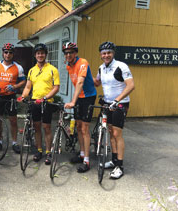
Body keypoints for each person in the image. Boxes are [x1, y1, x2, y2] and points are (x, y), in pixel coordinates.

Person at [93, 41, 135, 179]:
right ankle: (114, 160)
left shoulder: (121, 66)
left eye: (109, 52)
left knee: (117, 134)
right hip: (107, 103)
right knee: (111, 133)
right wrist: (83, 75)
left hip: (120, 104)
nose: (106, 55)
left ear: (113, 53)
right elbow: (97, 82)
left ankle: (120, 167)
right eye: (104, 53)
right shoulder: (101, 68)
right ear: (100, 55)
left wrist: (117, 100)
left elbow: (130, 86)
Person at [18, 43, 60, 165]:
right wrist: (23, 96)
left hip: (47, 102)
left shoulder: (53, 69)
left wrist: (46, 98)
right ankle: (39, 150)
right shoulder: (32, 70)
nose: (40, 55)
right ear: (35, 55)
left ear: (45, 55)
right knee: (36, 127)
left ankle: (48, 152)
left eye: (42, 53)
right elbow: (27, 86)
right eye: (38, 53)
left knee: (46, 127)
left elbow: (56, 87)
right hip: (35, 102)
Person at [63, 42, 97, 173]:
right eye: (66, 53)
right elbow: (81, 79)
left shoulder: (82, 62)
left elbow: (80, 81)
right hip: (79, 98)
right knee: (78, 126)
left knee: (84, 128)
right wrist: (94, 80)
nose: (68, 55)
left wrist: (72, 101)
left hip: (88, 97)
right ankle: (82, 153)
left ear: (75, 53)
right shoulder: (68, 67)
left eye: (71, 52)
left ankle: (87, 161)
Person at [0, 43, 26, 154]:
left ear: (13, 54)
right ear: (2, 53)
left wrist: (15, 86)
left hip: (11, 97)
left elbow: (23, 81)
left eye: (10, 52)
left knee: (13, 120)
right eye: (6, 52)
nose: (7, 54)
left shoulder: (18, 67)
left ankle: (14, 142)